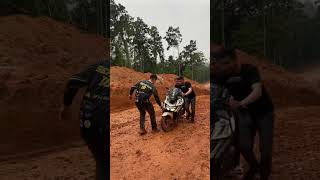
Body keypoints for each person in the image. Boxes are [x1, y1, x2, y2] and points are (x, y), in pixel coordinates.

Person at [212, 47, 274, 180]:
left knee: (265, 150)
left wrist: (241, 103)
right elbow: (216, 91)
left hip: (264, 113)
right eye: (221, 64)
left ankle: (264, 175)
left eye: (227, 63)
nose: (224, 67)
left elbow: (257, 91)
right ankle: (254, 167)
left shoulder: (249, 70)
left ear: (235, 60)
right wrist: (228, 101)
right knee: (244, 146)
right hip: (245, 114)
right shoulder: (222, 75)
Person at [60, 60, 109, 180]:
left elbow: (73, 82)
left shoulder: (99, 66)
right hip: (104, 120)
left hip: (88, 120)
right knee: (105, 162)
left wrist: (66, 106)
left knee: (102, 160)